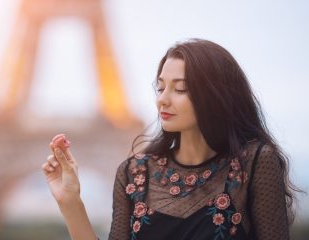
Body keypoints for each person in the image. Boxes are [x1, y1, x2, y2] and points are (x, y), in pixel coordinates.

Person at [41, 38, 299, 240]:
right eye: (161, 87)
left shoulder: (254, 163)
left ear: (215, 95)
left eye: (181, 89)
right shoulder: (134, 173)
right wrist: (70, 201)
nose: (163, 98)